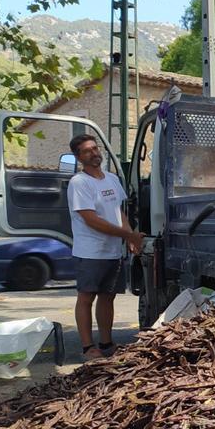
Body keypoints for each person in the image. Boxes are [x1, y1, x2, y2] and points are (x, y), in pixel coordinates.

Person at [67, 134, 144, 361]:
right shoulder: (79, 183)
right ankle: (87, 347)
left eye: (95, 148)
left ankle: (107, 343)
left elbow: (117, 212)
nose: (94, 153)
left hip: (112, 251)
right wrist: (127, 234)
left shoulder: (111, 179)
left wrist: (129, 236)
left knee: (108, 296)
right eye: (87, 151)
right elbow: (91, 219)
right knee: (86, 297)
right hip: (90, 252)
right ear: (79, 157)